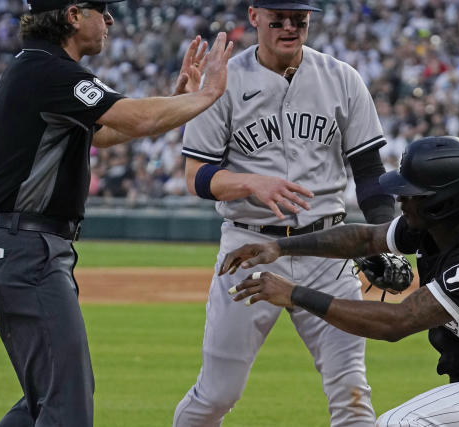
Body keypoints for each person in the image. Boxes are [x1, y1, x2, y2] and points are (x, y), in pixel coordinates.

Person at [0, 1, 232, 425]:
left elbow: (105, 133)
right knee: (67, 406)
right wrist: (208, 94)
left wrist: (178, 100)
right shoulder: (50, 71)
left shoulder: (37, 67)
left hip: (16, 249)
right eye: (100, 10)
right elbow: (136, 120)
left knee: (47, 399)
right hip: (24, 251)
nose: (108, 21)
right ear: (72, 16)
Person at [220, 136, 459, 427]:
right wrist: (278, 247)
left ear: (442, 202)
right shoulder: (436, 227)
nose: (400, 199)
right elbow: (362, 239)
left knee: (399, 424)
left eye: (411, 193)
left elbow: (396, 322)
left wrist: (294, 294)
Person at [173, 1, 408, 425]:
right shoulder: (223, 81)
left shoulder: (341, 78)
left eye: (298, 19)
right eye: (277, 18)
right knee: (217, 394)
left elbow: (370, 174)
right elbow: (196, 175)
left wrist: (381, 237)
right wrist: (250, 182)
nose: (288, 26)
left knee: (351, 391)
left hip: (327, 250)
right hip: (249, 248)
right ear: (254, 16)